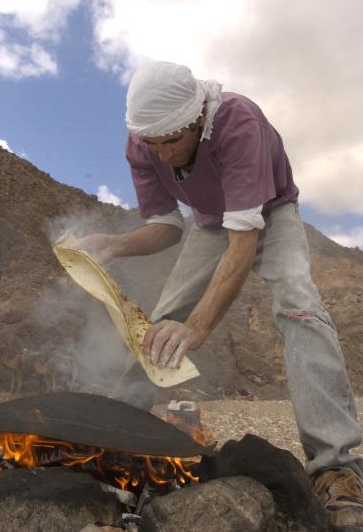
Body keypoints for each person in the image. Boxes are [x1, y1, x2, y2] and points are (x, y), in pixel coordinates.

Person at [78, 61, 363, 531]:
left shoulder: (238, 123)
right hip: (210, 223)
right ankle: (117, 435)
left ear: (198, 118)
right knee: (159, 325)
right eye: (155, 143)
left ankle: (336, 468)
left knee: (300, 307)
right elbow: (166, 229)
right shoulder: (143, 142)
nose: (164, 153)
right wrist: (114, 246)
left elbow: (244, 242)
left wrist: (199, 327)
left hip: (272, 213)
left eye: (173, 140)